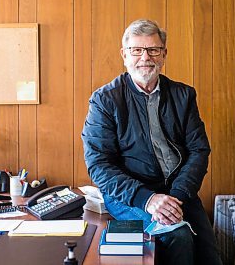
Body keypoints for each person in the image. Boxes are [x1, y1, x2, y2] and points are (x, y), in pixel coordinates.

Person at [82, 19, 222, 265]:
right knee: (178, 235)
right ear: (124, 55)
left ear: (164, 54)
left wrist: (176, 196)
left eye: (153, 50)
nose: (145, 57)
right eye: (137, 50)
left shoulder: (183, 95)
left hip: (179, 192)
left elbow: (199, 150)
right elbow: (99, 165)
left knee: (210, 257)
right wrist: (148, 199)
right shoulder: (104, 100)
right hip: (131, 195)